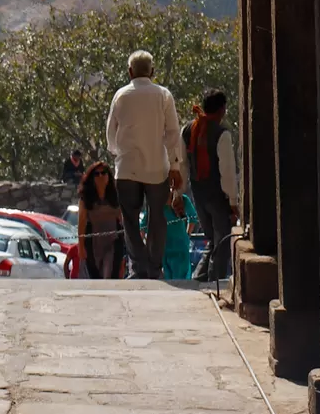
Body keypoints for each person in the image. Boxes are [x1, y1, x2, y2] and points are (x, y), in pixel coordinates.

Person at [105, 49, 184, 280]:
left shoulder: (121, 95)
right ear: (153, 71)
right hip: (156, 168)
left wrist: (116, 152)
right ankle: (154, 267)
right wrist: (175, 166)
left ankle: (138, 267)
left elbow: (111, 132)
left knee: (130, 218)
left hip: (127, 168)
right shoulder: (163, 95)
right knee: (157, 216)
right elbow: (172, 133)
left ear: (130, 72)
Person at [184, 88, 239, 283]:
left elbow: (183, 165)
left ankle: (199, 279)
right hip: (217, 197)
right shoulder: (221, 133)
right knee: (222, 242)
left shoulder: (188, 129)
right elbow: (227, 171)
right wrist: (233, 201)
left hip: (198, 195)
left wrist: (178, 194)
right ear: (222, 109)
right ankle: (215, 283)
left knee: (213, 241)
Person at [76, 161, 126, 278]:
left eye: (103, 173)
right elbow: (82, 222)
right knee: (96, 277)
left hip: (112, 242)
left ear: (109, 176)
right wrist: (81, 246)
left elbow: (122, 220)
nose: (100, 176)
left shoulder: (116, 196)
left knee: (109, 274)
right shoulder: (86, 198)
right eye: (96, 174)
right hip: (93, 243)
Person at [162, 187, 200, 282]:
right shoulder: (183, 199)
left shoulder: (156, 202)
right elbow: (193, 218)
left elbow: (144, 226)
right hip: (181, 245)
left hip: (164, 246)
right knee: (182, 281)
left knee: (168, 281)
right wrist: (187, 234)